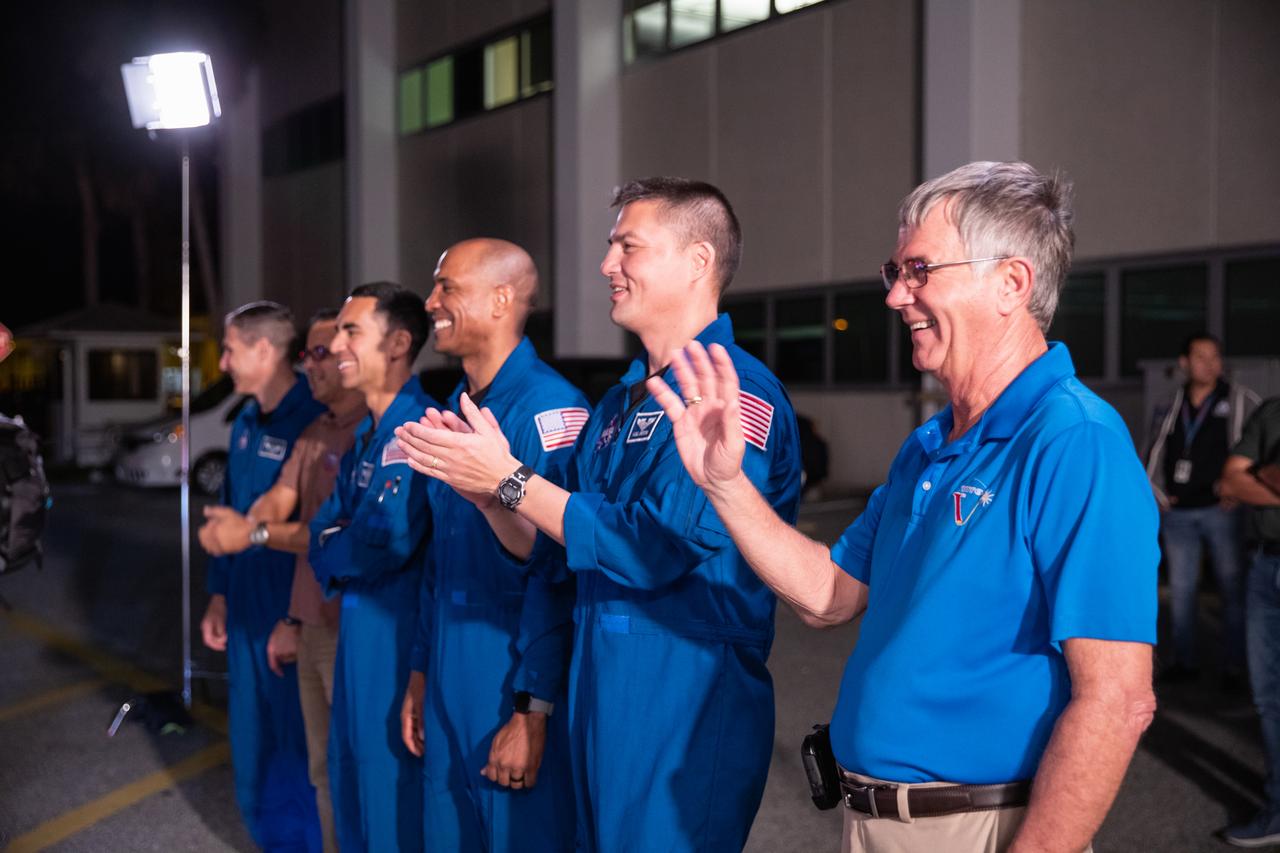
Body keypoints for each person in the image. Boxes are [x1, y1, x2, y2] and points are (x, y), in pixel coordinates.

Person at [646, 162, 1158, 852]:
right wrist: (726, 485)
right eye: (896, 272)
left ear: (1011, 283)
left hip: (980, 828)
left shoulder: (1073, 440)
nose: (895, 297)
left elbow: (1118, 698)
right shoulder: (928, 446)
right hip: (881, 822)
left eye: (919, 270)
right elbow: (829, 594)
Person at [396, 178, 804, 852]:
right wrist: (492, 494)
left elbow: (653, 548)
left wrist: (514, 480)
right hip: (598, 692)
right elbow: (554, 561)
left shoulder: (735, 395)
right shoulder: (617, 408)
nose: (606, 265)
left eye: (628, 247)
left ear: (698, 261)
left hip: (683, 703)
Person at [398, 238, 582, 851]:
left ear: (501, 300)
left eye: (447, 286)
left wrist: (533, 711)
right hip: (452, 671)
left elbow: (559, 574)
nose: (431, 302)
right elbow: (439, 560)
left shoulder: (549, 411)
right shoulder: (460, 407)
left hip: (506, 676)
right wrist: (423, 672)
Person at [199, 308, 366, 853]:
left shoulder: (311, 419)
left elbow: (319, 531)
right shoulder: (248, 422)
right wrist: (219, 594)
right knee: (250, 746)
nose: (223, 362)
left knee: (301, 755)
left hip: (292, 609)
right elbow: (235, 510)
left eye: (229, 349)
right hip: (249, 606)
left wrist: (294, 615)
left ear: (263, 350)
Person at [307, 282, 436, 852]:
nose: (336, 345)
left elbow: (388, 540)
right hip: (360, 631)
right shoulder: (369, 435)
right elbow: (322, 534)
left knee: (390, 798)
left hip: (398, 638)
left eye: (350, 331)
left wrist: (342, 541)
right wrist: (342, 541)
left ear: (399, 344)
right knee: (351, 782)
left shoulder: (421, 429)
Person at [1145, 333, 1258, 686]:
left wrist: (1241, 490)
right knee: (1181, 590)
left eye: (1215, 357)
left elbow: (1259, 448)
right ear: (1184, 363)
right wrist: (1159, 494)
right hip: (1179, 515)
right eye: (1200, 357)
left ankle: (1235, 666)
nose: (1209, 364)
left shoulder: (1239, 401)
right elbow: (1153, 452)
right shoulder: (1170, 404)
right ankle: (1186, 661)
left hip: (1221, 512)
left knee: (1231, 588)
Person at [1220, 396, 1280, 847]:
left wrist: (1258, 472)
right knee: (1269, 698)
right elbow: (1231, 481)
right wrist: (1258, 476)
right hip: (1265, 566)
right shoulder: (1272, 410)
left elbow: (1249, 476)